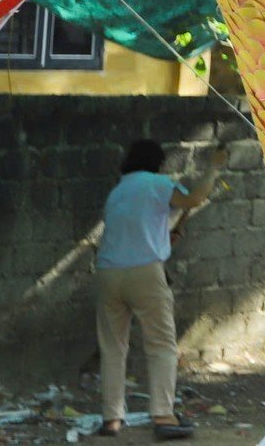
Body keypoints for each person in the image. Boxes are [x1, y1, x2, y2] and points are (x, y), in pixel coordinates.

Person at [94, 139, 226, 438]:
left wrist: (166, 236)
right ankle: (164, 417)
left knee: (113, 348)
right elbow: (194, 199)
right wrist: (213, 169)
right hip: (145, 273)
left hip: (108, 273)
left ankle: (111, 419)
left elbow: (136, 229)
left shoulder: (118, 191)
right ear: (157, 162)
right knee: (161, 345)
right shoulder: (157, 183)